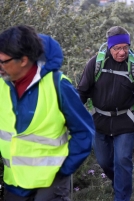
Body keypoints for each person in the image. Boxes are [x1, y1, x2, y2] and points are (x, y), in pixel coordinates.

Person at [0, 25, 94, 200]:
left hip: (50, 185)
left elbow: (84, 132)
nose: (0, 67)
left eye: (4, 62)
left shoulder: (58, 85)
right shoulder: (1, 86)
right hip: (14, 185)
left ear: (23, 60)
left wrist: (63, 170)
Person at [77, 26, 134, 201]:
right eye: (117, 48)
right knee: (105, 163)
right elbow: (82, 92)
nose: (122, 52)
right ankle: (119, 183)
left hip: (125, 121)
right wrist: (69, 116)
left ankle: (122, 196)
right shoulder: (95, 63)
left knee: (123, 161)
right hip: (99, 121)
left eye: (125, 47)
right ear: (109, 48)